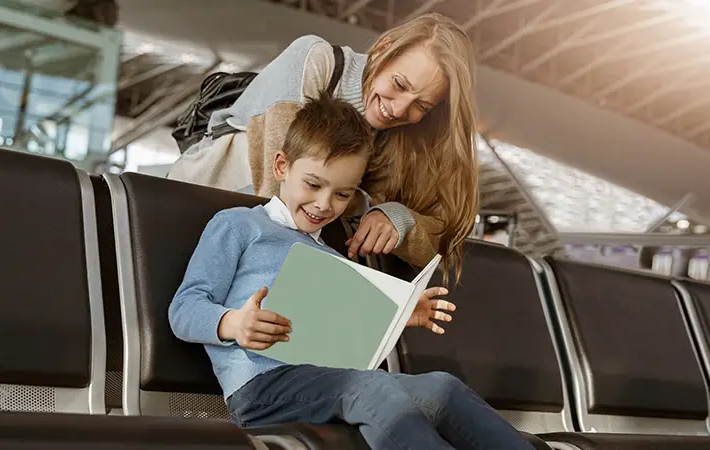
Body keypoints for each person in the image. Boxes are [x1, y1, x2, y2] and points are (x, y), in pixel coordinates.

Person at [168, 92, 534, 450]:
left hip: (326, 381)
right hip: (262, 388)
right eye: (313, 184)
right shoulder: (238, 226)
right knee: (373, 387)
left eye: (343, 194)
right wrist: (234, 323)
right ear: (282, 166)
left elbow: (335, 330)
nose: (324, 204)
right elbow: (184, 308)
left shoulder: (328, 253)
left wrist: (398, 315)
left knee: (443, 388)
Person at [167, 13, 479, 282]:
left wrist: (397, 218)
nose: (399, 110)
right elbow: (275, 194)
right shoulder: (315, 60)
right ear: (383, 49)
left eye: (421, 105)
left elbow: (443, 240)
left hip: (266, 252)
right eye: (398, 85)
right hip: (192, 209)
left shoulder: (402, 139)